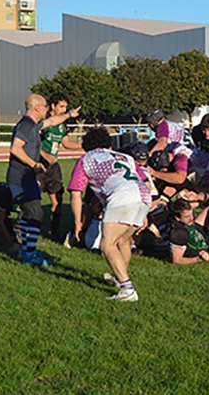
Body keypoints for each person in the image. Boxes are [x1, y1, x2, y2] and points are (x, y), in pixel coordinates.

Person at [68, 127, 151, 302]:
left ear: (86, 145)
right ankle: (118, 277)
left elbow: (76, 193)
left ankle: (127, 289)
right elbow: (144, 180)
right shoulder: (126, 157)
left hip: (122, 195)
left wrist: (77, 222)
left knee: (107, 245)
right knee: (123, 241)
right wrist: (144, 213)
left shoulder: (86, 159)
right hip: (144, 194)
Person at [7, 94, 80, 266]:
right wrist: (35, 164)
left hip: (27, 177)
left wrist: (69, 115)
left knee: (31, 213)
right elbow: (15, 149)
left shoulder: (34, 124)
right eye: (46, 106)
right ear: (37, 108)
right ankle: (29, 255)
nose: (47, 109)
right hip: (20, 177)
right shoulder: (25, 124)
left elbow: (53, 122)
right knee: (36, 213)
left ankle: (25, 251)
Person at [37, 92, 84, 242]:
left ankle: (54, 232)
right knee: (33, 200)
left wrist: (84, 146)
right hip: (38, 165)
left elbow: (66, 143)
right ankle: (25, 229)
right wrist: (44, 155)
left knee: (57, 201)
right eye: (61, 106)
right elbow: (32, 144)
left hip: (53, 167)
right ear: (53, 106)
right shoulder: (44, 123)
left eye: (66, 107)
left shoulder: (62, 126)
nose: (64, 110)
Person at [167, 199, 209, 264]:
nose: (191, 218)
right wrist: (198, 259)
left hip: (196, 229)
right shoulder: (179, 233)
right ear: (177, 218)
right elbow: (177, 260)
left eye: (192, 214)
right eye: (187, 216)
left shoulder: (175, 216)